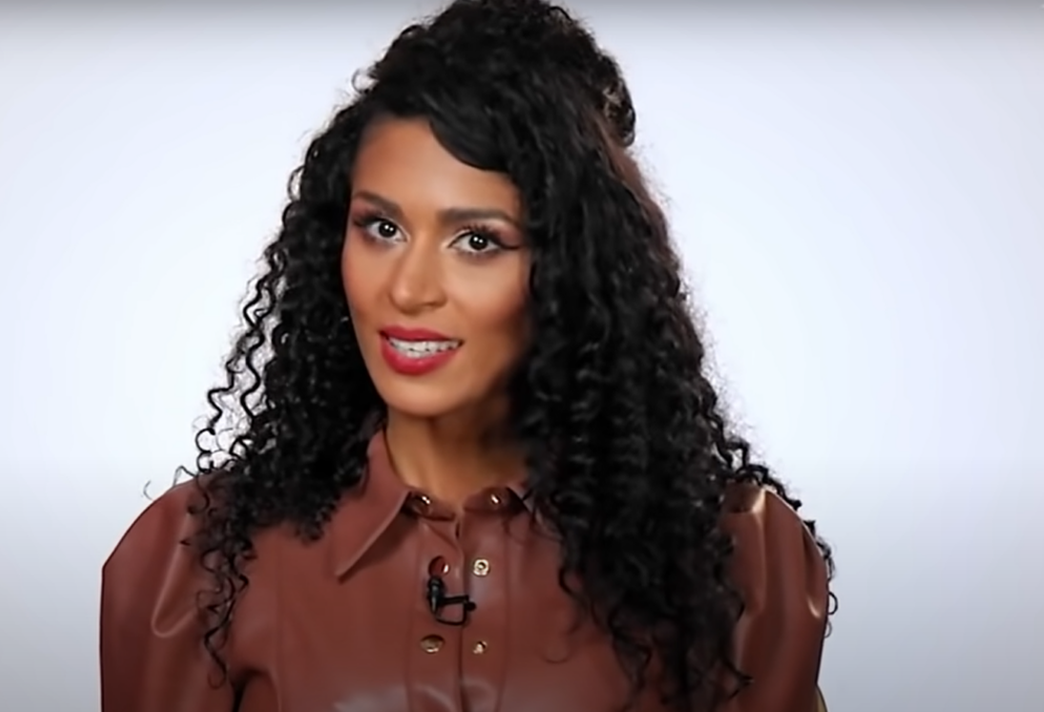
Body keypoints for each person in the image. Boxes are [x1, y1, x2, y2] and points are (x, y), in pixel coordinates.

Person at [99, 0, 836, 710]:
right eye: (381, 228)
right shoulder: (197, 560)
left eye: (477, 240)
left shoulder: (739, 559)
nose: (408, 289)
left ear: (572, 270)